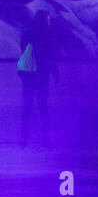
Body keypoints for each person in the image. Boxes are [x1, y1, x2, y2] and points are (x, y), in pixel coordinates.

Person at [17, 8, 57, 146]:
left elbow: (23, 51)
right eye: (48, 19)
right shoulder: (48, 34)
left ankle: (24, 139)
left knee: (27, 106)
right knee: (43, 106)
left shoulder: (27, 32)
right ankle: (45, 139)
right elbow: (52, 55)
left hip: (28, 74)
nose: (49, 21)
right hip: (42, 74)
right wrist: (55, 73)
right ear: (45, 19)